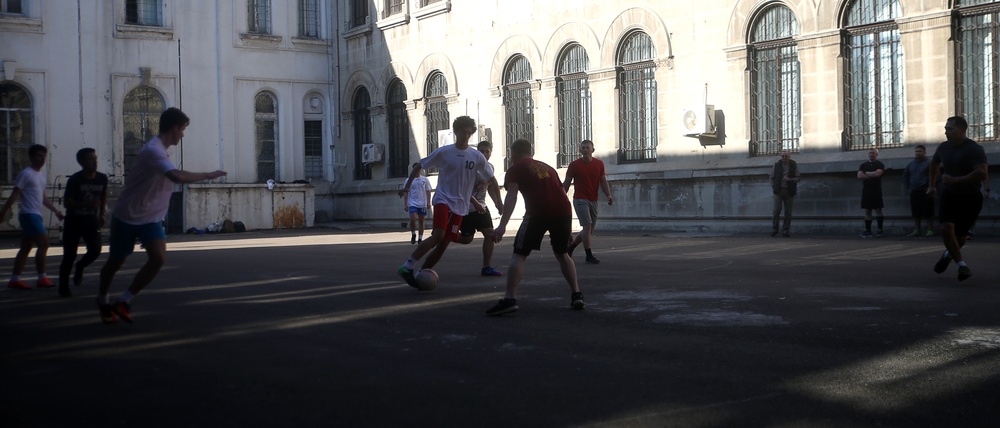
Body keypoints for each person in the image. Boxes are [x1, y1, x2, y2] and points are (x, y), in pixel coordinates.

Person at [96, 108, 227, 323]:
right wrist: (207, 175)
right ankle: (102, 300)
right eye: (183, 130)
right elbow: (175, 176)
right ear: (174, 128)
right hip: (127, 215)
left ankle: (124, 300)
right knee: (115, 263)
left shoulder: (166, 150)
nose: (183, 135)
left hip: (151, 218)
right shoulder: (153, 151)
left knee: (158, 258)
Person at [487, 139, 584, 316]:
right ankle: (576, 294)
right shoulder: (548, 167)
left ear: (513, 154)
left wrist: (502, 226)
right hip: (563, 212)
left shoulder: (515, 169)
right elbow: (562, 193)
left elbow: (511, 196)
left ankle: (509, 299)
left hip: (537, 212)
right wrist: (568, 229)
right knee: (562, 253)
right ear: (530, 152)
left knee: (519, 254)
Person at [396, 116, 493, 288]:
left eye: (469, 132)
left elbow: (490, 178)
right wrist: (407, 187)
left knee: (444, 243)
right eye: (463, 131)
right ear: (456, 132)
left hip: (460, 206)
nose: (466, 135)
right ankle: (407, 266)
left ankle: (420, 274)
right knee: (439, 235)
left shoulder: (476, 156)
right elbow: (420, 165)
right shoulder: (445, 152)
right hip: (443, 199)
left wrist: (501, 201)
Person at [928, 116, 988, 281]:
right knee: (946, 228)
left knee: (960, 237)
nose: (946, 132)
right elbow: (933, 164)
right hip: (950, 194)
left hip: (971, 198)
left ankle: (948, 255)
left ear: (962, 131)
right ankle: (962, 266)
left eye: (950, 129)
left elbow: (982, 173)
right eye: (946, 128)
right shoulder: (943, 148)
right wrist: (932, 185)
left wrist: (956, 179)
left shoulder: (974, 149)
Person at [0, 144, 65, 290]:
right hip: (29, 215)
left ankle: (15, 279)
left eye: (44, 156)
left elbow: (43, 198)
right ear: (31, 157)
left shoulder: (40, 176)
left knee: (26, 247)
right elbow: (15, 194)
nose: (42, 159)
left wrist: (56, 211)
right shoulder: (26, 174)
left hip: (36, 214)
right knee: (44, 244)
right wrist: (3, 212)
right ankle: (42, 277)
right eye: (38, 155)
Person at [58, 148, 108, 297]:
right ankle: (64, 287)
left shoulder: (102, 178)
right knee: (69, 255)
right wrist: (86, 204)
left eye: (95, 158)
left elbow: (103, 194)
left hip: (91, 221)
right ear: (81, 162)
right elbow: (67, 203)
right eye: (90, 159)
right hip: (74, 222)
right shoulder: (75, 180)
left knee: (95, 250)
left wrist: (102, 213)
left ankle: (80, 266)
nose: (95, 162)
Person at [456, 141, 505, 276]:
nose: (484, 154)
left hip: (481, 207)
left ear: (491, 152)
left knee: (489, 235)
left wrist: (497, 203)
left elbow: (489, 187)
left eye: (487, 151)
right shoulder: (471, 167)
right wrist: (475, 203)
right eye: (482, 151)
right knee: (467, 239)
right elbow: (463, 189)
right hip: (468, 207)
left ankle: (486, 267)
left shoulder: (490, 167)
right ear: (477, 152)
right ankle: (446, 236)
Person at [562, 139, 613, 264]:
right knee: (587, 226)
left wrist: (608, 195)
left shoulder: (599, 164)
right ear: (580, 150)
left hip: (593, 199)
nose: (585, 150)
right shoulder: (574, 165)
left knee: (589, 230)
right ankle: (588, 255)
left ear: (592, 150)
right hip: (580, 199)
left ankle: (571, 247)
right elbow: (567, 182)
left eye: (587, 148)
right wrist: (561, 197)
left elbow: (603, 181)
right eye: (583, 148)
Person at [902, 145, 935, 237]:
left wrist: (930, 186)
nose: (918, 153)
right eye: (916, 151)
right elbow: (906, 175)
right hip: (914, 190)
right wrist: (908, 187)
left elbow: (935, 175)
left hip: (925, 190)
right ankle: (917, 230)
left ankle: (930, 229)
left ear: (925, 152)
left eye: (920, 151)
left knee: (928, 212)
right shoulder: (911, 164)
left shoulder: (929, 163)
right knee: (916, 212)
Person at [768, 150, 800, 237]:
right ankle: (775, 229)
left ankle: (786, 230)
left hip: (789, 191)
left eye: (786, 156)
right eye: (782, 156)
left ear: (789, 157)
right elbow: (771, 177)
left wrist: (790, 179)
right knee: (776, 210)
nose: (784, 158)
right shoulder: (777, 165)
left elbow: (798, 178)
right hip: (778, 190)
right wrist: (773, 186)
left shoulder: (793, 165)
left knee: (788, 212)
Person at [857, 147, 885, 238]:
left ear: (876, 154)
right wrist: (871, 174)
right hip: (866, 190)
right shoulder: (863, 165)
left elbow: (878, 174)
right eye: (870, 153)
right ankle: (868, 231)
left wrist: (866, 173)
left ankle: (880, 230)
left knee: (878, 209)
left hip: (876, 190)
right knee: (867, 210)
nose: (871, 154)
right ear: (867, 154)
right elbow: (859, 176)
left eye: (873, 153)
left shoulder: (879, 164)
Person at [405, 162, 432, 244]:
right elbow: (406, 192)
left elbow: (428, 191)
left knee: (421, 221)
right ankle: (413, 234)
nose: (418, 171)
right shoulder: (409, 180)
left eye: (419, 169)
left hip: (422, 203)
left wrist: (428, 202)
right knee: (413, 219)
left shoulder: (425, 179)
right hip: (412, 203)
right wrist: (405, 204)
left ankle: (420, 238)